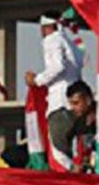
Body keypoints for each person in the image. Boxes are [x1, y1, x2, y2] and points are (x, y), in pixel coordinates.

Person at [24, 14, 84, 159]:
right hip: (76, 100)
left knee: (60, 153)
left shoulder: (52, 39)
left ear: (47, 27)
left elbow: (58, 66)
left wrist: (37, 80)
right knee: (74, 150)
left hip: (60, 101)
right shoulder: (71, 43)